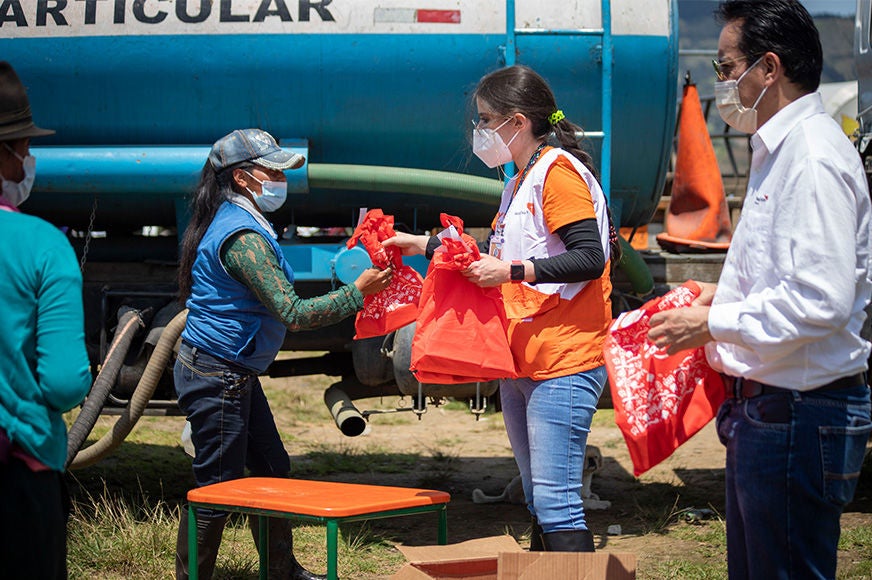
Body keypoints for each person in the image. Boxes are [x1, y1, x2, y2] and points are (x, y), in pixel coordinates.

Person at [647, 1, 872, 577]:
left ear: (768, 69)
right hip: (773, 409)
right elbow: (786, 280)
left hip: (797, 412)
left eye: (727, 69)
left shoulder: (813, 158)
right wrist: (718, 297)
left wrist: (713, 323)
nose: (723, 83)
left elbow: (821, 300)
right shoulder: (780, 151)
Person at [385, 65, 617, 552]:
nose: (480, 131)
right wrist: (417, 243)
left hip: (563, 360)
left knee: (557, 501)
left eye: (486, 119)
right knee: (538, 497)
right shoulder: (519, 180)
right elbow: (486, 255)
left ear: (517, 121)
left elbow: (590, 258)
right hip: (524, 359)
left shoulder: (557, 174)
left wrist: (511, 273)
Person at [174, 128, 392, 580]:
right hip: (218, 374)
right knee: (216, 489)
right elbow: (292, 312)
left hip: (232, 372)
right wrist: (358, 292)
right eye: (270, 170)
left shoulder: (244, 220)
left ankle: (281, 570)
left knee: (273, 468)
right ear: (241, 178)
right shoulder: (243, 238)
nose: (279, 178)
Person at [0, 61, 92, 578]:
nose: (29, 158)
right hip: (18, 472)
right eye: (24, 144)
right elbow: (62, 383)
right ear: (6, 154)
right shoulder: (41, 246)